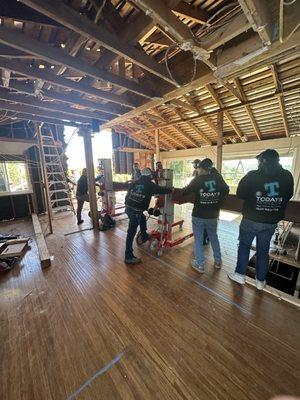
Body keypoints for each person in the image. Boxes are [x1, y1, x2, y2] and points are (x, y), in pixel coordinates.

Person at [228, 149, 294, 290]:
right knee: (263, 251)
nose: (257, 163)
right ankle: (260, 281)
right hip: (270, 221)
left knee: (244, 246)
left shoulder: (252, 175)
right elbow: (288, 195)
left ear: (263, 161)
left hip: (251, 219)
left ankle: (240, 275)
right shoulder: (287, 176)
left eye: (259, 160)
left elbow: (240, 194)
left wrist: (256, 198)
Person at [182, 158, 229, 273]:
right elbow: (226, 190)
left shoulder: (197, 180)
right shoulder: (218, 177)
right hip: (213, 215)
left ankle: (200, 264)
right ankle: (218, 261)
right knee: (213, 237)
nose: (197, 170)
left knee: (198, 239)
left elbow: (185, 192)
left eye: (198, 168)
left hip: (199, 214)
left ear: (201, 169)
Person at [124, 167, 173, 264]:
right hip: (136, 211)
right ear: (150, 176)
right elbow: (162, 190)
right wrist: (171, 189)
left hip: (128, 208)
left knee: (142, 217)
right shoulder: (150, 185)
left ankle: (144, 235)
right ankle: (128, 256)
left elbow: (128, 194)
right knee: (131, 233)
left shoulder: (134, 182)